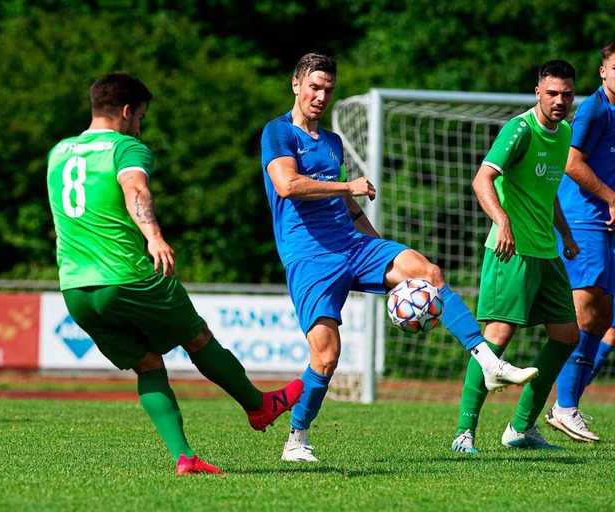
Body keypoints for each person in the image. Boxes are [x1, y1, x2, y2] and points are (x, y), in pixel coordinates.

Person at [260, 52, 538, 463]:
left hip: (355, 246)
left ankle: (487, 360)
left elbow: (351, 209)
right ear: (296, 85)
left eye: (328, 90)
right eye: (314, 87)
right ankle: (296, 440)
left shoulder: (333, 142)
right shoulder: (279, 132)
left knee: (427, 271)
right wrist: (348, 186)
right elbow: (287, 185)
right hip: (310, 256)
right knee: (326, 355)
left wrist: (379, 245)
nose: (321, 96)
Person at [46, 72, 304, 475]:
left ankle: (185, 457)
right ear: (128, 111)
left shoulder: (59, 152)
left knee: (147, 364)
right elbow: (135, 189)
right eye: (141, 117)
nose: (139, 126)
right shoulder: (126, 147)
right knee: (197, 337)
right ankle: (259, 407)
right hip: (127, 275)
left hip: (75, 287)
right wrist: (153, 236)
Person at [451, 60, 580, 454]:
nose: (560, 101)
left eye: (567, 94)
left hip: (546, 252)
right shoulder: (519, 129)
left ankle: (521, 429)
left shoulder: (566, 133)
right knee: (496, 338)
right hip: (512, 252)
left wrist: (566, 234)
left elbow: (549, 190)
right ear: (538, 93)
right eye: (553, 93)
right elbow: (482, 178)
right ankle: (464, 433)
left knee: (567, 336)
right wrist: (502, 222)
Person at [546, 41, 615, 443]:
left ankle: (559, 408)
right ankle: (562, 407)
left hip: (605, 223)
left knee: (602, 318)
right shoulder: (594, 108)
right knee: (585, 316)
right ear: (603, 71)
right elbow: (571, 162)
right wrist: (610, 197)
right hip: (583, 220)